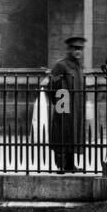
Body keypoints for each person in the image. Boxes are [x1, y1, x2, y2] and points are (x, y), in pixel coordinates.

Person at [46, 35, 86, 172]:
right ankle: (61, 165)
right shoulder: (61, 65)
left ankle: (70, 165)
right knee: (61, 134)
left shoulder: (79, 66)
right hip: (63, 106)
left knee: (73, 135)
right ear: (69, 49)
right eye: (75, 48)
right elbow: (50, 86)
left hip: (77, 107)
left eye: (80, 48)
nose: (78, 51)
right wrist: (58, 103)